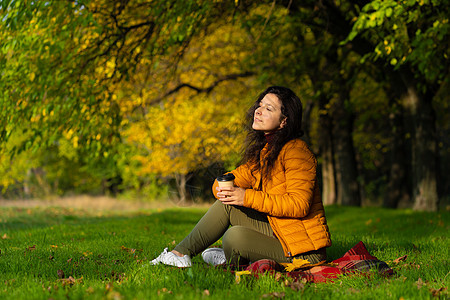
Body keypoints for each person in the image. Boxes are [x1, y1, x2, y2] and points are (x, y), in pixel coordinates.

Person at [150, 86, 331, 268]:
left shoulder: (296, 151)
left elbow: (299, 205)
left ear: (284, 121)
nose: (258, 111)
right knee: (227, 204)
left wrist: (246, 197)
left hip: (304, 251)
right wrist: (223, 187)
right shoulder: (265, 153)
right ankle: (179, 254)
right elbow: (232, 178)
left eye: (268, 109)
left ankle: (229, 257)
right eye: (260, 106)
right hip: (279, 232)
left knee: (234, 236)